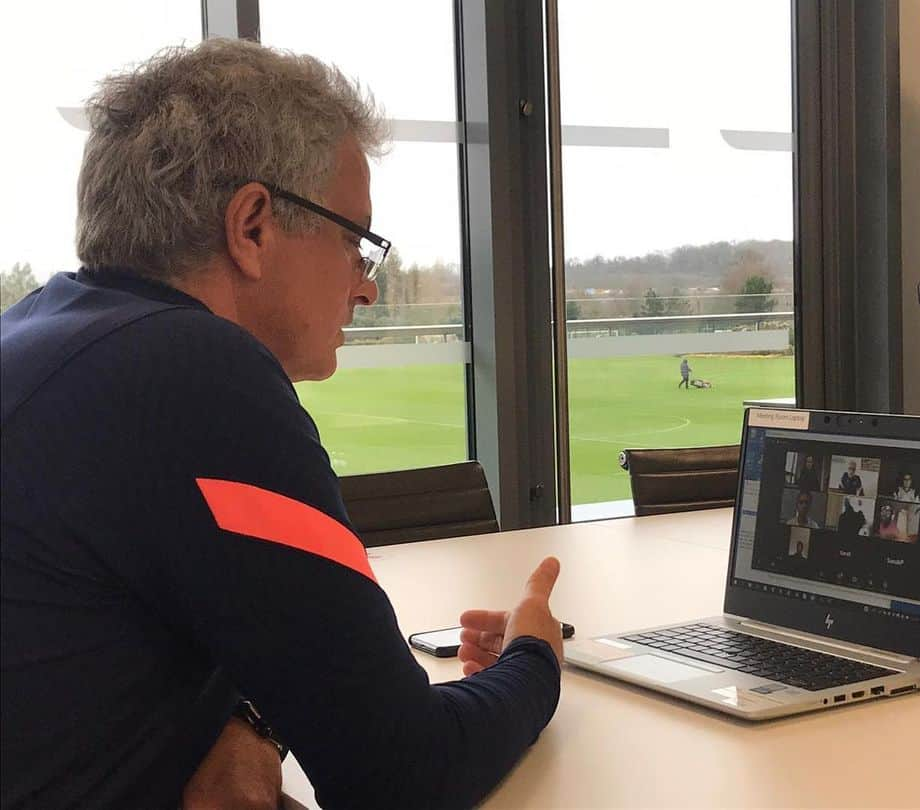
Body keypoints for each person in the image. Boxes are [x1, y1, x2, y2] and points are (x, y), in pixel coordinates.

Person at [0, 40, 564, 809]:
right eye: (355, 240)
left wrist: (252, 726)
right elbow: (407, 774)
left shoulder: (45, 335)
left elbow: (245, 635)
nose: (365, 288)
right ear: (253, 227)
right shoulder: (191, 371)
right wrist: (535, 656)